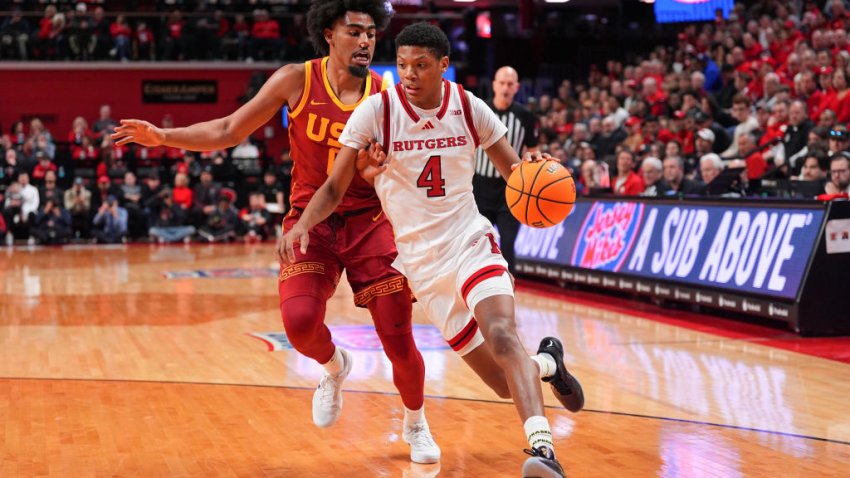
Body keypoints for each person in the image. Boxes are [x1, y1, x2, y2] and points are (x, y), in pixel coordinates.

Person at [111, 0, 439, 464]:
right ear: (329, 32)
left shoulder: (386, 93)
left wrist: (383, 180)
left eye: (370, 33)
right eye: (354, 31)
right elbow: (228, 128)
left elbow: (400, 171)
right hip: (312, 220)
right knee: (300, 324)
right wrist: (165, 137)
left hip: (370, 224)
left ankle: (416, 423)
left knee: (399, 339)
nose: (365, 41)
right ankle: (334, 366)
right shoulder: (296, 80)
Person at [278, 22, 583, 478]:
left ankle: (543, 452)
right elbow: (334, 187)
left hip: (469, 241)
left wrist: (534, 174)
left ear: (443, 65)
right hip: (423, 264)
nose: (410, 75)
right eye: (402, 66)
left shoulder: (467, 106)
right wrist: (303, 222)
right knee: (504, 383)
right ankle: (547, 363)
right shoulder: (375, 113)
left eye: (421, 65)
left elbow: (514, 172)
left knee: (502, 334)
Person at [472, 66, 538, 274]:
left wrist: (532, 161)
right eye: (502, 83)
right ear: (494, 85)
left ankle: (508, 292)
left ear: (517, 87)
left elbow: (532, 150)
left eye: (510, 84)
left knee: (508, 243)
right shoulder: (480, 110)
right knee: (476, 245)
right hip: (479, 188)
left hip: (511, 189)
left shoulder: (525, 116)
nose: (505, 88)